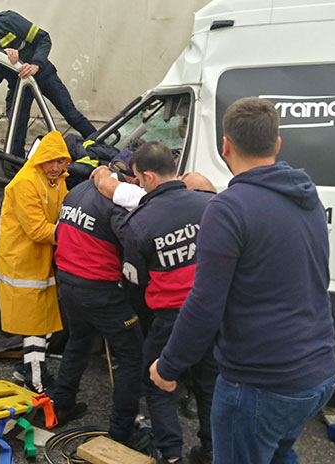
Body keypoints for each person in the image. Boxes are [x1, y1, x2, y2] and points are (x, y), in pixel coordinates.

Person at [150, 97, 335, 464]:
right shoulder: (308, 197)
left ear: (226, 145)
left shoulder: (228, 208)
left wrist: (168, 365)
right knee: (278, 454)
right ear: (277, 144)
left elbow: (204, 304)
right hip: (318, 373)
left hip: (261, 382)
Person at [122, 142, 217, 464]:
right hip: (211, 312)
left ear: (147, 176)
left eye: (137, 178)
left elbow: (137, 279)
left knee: (159, 382)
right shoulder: (210, 205)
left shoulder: (139, 222)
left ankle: (172, 456)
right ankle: (210, 450)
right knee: (208, 384)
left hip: (171, 318)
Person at [50, 152, 143, 441]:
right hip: (100, 290)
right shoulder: (116, 203)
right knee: (132, 355)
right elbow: (134, 246)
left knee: (79, 341)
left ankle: (62, 406)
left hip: (68, 283)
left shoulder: (78, 189)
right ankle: (122, 430)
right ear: (134, 178)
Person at [0, 7, 96, 157]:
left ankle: (101, 149)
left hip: (43, 74)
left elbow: (43, 38)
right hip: (18, 85)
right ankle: (14, 169)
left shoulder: (8, 20)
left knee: (71, 115)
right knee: (16, 131)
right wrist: (3, 60)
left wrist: (36, 65)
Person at [0, 131, 71, 393]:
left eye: (61, 161)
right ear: (40, 159)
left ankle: (24, 365)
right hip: (22, 262)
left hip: (41, 259)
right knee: (36, 322)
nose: (55, 166)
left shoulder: (57, 181)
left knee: (45, 317)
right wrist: (75, 235)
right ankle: (35, 380)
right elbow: (38, 230)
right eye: (51, 161)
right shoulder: (25, 183)